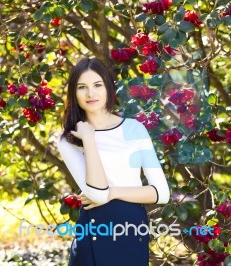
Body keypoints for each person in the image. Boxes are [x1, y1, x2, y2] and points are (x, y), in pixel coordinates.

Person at [56, 57, 170, 265]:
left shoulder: (135, 129)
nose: (91, 93)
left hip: (132, 228)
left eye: (97, 85)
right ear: (74, 93)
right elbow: (97, 194)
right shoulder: (69, 139)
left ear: (108, 87)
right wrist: (89, 140)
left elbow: (161, 193)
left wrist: (115, 192)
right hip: (94, 232)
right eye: (82, 87)